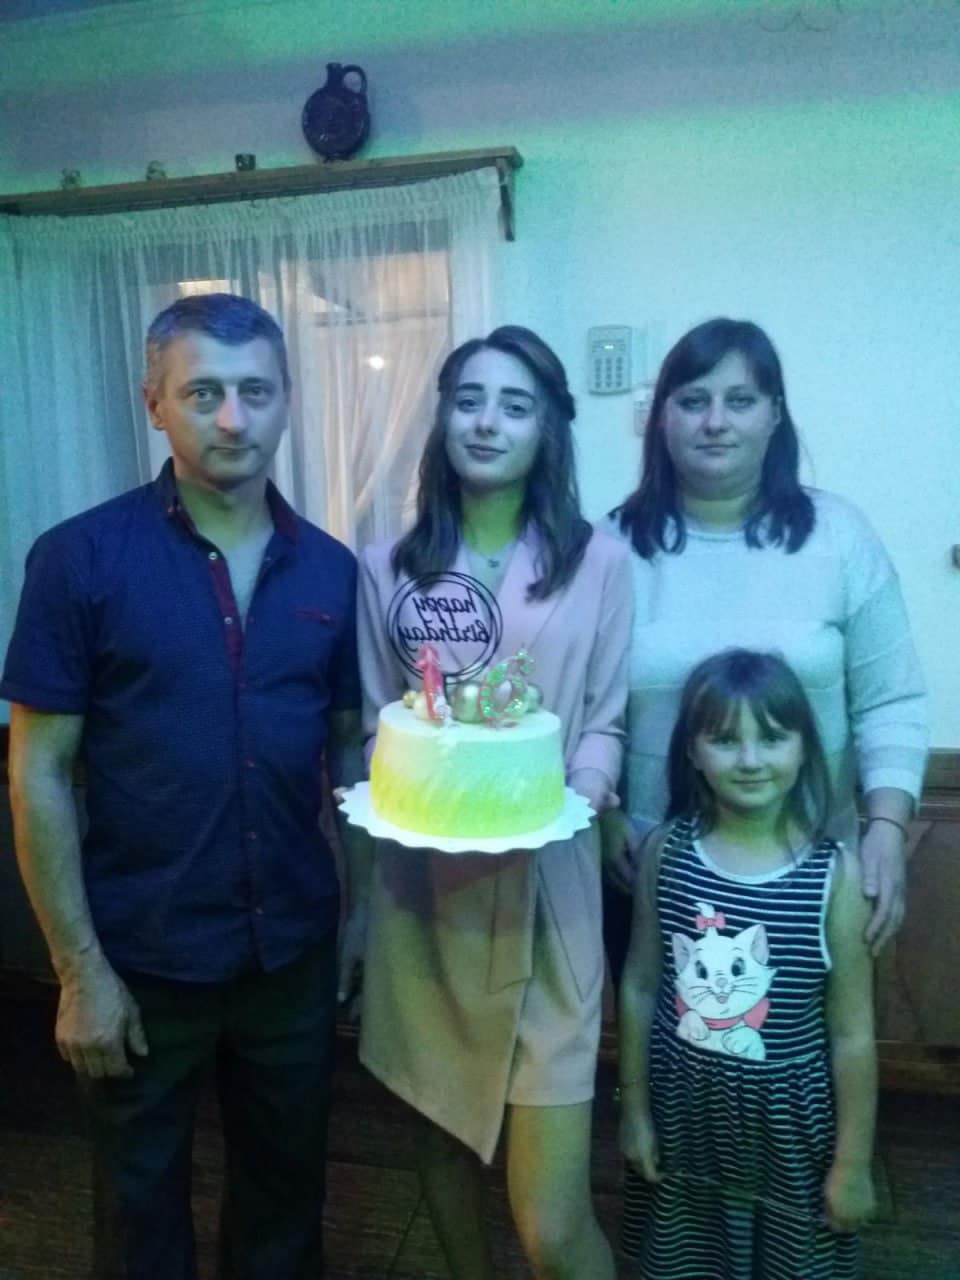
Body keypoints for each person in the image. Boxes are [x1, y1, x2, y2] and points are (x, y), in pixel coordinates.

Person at [1, 293, 364, 1279]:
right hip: (139, 960)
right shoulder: (79, 559)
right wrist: (79, 973)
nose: (233, 418)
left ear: (286, 400)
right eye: (204, 392)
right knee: (138, 1221)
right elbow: (37, 770)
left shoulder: (332, 572)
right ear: (154, 403)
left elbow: (349, 761)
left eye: (257, 391)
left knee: (285, 1210)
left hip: (289, 955)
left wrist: (361, 915)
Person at [344, 325, 632, 1279]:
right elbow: (379, 722)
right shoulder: (388, 565)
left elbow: (605, 722)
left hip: (552, 899)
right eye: (469, 400)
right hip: (426, 902)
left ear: (548, 428)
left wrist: (565, 799)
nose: (487, 422)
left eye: (515, 406)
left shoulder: (601, 562)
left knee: (551, 1227)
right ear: (443, 418)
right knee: (439, 1143)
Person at [602, 317, 927, 983]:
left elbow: (891, 701)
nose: (715, 421)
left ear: (775, 414)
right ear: (661, 418)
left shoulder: (840, 537)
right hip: (656, 876)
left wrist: (888, 829)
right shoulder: (608, 551)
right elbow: (578, 713)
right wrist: (604, 820)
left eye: (740, 400)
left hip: (815, 876)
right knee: (666, 1041)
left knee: (814, 1044)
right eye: (693, 400)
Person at [619, 648, 876, 1277]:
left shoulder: (834, 877)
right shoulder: (665, 854)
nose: (751, 759)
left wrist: (852, 1165)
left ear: (803, 748)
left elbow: (852, 1035)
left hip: (792, 1142)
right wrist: (634, 1113)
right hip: (684, 1126)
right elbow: (641, 987)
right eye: (726, 740)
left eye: (773, 737)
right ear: (692, 751)